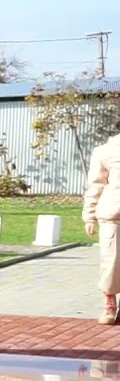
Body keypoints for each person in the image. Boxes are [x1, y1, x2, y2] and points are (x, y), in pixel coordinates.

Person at [82, 122, 120, 324]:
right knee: (111, 262)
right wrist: (89, 216)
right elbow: (96, 184)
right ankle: (108, 303)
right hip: (114, 214)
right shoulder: (105, 151)